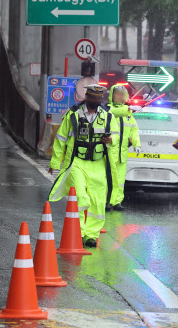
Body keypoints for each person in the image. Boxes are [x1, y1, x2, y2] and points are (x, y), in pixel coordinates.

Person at [48, 84, 119, 247]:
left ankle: (91, 236)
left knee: (97, 201)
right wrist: (55, 162)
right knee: (80, 196)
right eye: (93, 97)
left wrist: (111, 140)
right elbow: (61, 139)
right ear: (86, 97)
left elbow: (116, 135)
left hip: (99, 163)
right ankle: (78, 232)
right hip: (77, 162)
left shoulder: (108, 116)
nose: (96, 100)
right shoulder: (73, 115)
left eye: (99, 98)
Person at [106, 85, 142, 211]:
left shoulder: (128, 114)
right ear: (112, 95)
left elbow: (134, 130)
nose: (120, 96)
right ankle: (107, 200)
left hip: (122, 152)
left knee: (120, 179)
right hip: (110, 151)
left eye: (123, 94)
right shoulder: (107, 109)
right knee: (109, 178)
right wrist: (129, 108)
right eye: (118, 94)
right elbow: (114, 112)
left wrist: (137, 144)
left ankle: (117, 202)